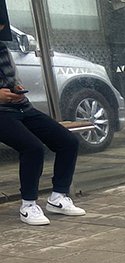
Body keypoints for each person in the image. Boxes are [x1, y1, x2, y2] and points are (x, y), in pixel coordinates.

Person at [0, 21, 83, 226]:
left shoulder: (3, 48)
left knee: (67, 141)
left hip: (20, 107)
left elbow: (11, 78)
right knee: (32, 148)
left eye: (2, 25)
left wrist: (16, 88)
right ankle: (28, 205)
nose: (0, 29)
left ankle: (58, 198)